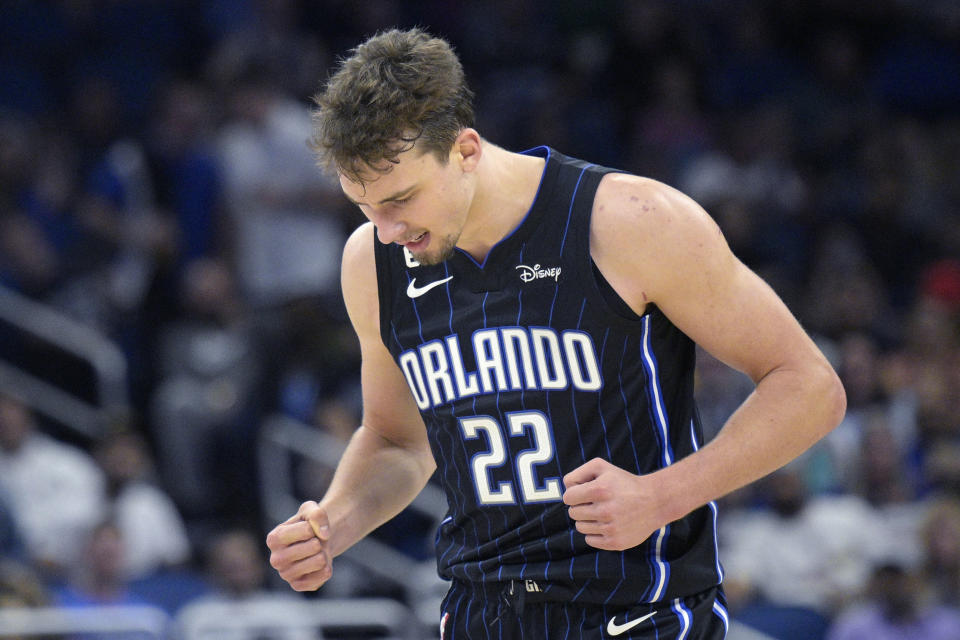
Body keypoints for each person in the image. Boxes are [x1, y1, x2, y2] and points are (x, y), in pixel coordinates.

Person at [265, 28, 846, 639]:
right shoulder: (372, 263)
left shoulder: (629, 220)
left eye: (400, 200)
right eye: (364, 207)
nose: (386, 230)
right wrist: (334, 522)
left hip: (638, 610)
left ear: (465, 150)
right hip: (480, 612)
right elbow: (396, 440)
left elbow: (809, 387)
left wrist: (662, 496)